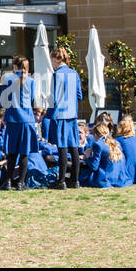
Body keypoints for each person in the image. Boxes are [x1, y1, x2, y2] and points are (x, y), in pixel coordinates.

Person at [0, 57, 37, 190]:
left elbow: (3, 100)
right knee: (24, 153)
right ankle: (21, 182)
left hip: (13, 119)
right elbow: (31, 99)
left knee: (12, 153)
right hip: (27, 119)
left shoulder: (8, 79)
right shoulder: (31, 81)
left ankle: (8, 182)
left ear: (15, 66)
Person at [49, 47, 82, 188]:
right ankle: (75, 180)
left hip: (61, 114)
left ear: (56, 59)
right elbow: (79, 95)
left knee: (62, 148)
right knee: (74, 147)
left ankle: (61, 181)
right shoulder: (74, 73)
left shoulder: (56, 75)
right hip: (72, 114)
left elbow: (53, 98)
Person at [83, 118, 129, 188]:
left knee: (82, 175)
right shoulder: (116, 143)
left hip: (106, 178)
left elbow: (94, 166)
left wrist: (87, 157)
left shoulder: (98, 144)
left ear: (95, 134)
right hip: (119, 178)